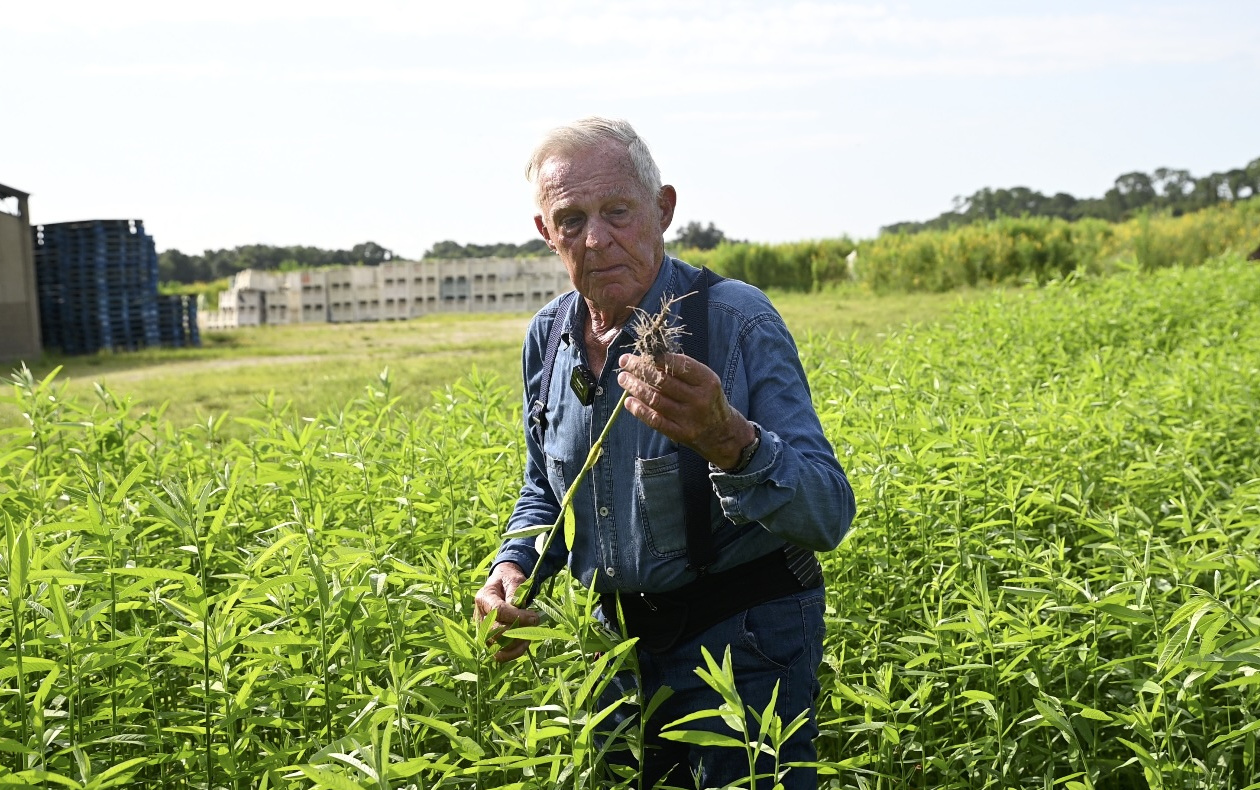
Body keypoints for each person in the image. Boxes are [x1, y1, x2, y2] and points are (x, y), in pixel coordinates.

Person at [474, 116, 856, 789]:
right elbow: (547, 486)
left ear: (663, 209)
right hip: (614, 651)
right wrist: (514, 566)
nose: (597, 238)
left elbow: (828, 513)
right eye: (571, 219)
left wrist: (728, 440)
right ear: (545, 232)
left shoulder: (733, 320)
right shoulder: (550, 336)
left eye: (618, 211)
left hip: (744, 643)